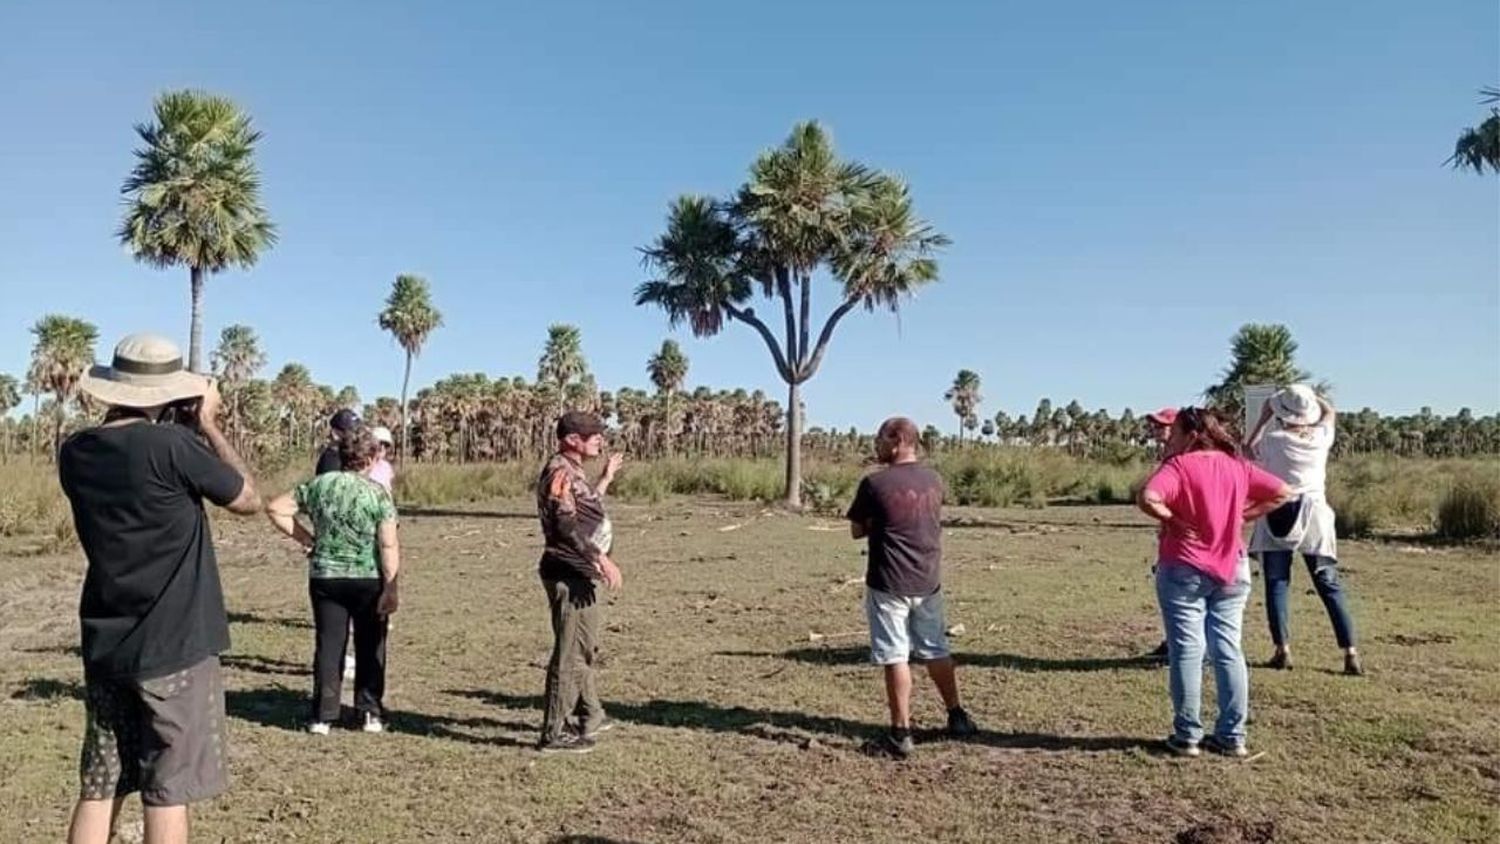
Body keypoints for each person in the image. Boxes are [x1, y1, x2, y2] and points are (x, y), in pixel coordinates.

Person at [58, 333, 261, 844]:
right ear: (169, 393)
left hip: (107, 641)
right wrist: (208, 424)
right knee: (167, 789)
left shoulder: (76, 452)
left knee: (101, 782)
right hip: (176, 645)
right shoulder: (175, 446)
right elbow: (246, 498)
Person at [1138, 407, 1291, 758]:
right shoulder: (1237, 467)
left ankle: (1187, 734)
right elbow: (1282, 491)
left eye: (1174, 432)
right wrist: (1243, 515)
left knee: (1187, 650)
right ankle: (1232, 735)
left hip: (1184, 567)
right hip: (1232, 567)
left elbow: (1148, 498)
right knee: (1228, 649)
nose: (1169, 439)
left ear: (1191, 435)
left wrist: (1173, 519)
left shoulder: (1178, 467)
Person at [847, 417, 979, 760]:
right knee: (935, 647)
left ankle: (901, 732)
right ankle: (957, 715)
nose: (876, 445)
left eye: (880, 438)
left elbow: (857, 531)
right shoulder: (934, 480)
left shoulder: (874, 484)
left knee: (894, 654)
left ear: (898, 440)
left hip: (889, 580)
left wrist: (878, 524)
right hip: (927, 577)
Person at [267, 426, 401, 735]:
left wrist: (308, 540)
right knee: (370, 645)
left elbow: (276, 508)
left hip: (326, 577)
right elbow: (388, 543)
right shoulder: (377, 493)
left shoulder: (319, 485)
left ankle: (322, 715)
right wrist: (391, 587)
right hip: (367, 578)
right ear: (370, 458)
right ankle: (370, 712)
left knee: (329, 644)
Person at [1245, 385, 1363, 676]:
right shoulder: (1321, 438)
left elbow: (1249, 449)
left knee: (1277, 583)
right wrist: (1311, 398)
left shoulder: (1274, 440)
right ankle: (1350, 652)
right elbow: (1330, 412)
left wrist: (1263, 416)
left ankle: (1282, 648)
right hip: (1316, 515)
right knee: (1328, 583)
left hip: (1279, 510)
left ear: (1281, 414)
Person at [535, 411, 624, 754]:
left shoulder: (574, 473)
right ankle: (554, 732)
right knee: (570, 653)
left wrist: (605, 479)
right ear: (572, 439)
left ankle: (590, 714)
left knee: (583, 647)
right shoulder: (559, 471)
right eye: (593, 435)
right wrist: (599, 558)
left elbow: (587, 508)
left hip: (581, 573)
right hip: (568, 573)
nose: (599, 439)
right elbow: (564, 525)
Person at [1143, 407, 1179, 660]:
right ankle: (1171, 640)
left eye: (1163, 425)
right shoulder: (1168, 454)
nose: (1157, 429)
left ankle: (1178, 645)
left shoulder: (1180, 456)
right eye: (1156, 425)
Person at [315, 408, 361, 475]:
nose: (356, 436)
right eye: (351, 432)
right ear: (335, 434)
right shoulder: (331, 460)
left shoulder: (357, 455)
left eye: (357, 432)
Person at [366, 426, 396, 493]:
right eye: (380, 444)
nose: (382, 448)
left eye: (386, 445)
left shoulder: (386, 467)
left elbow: (388, 491)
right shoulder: (363, 464)